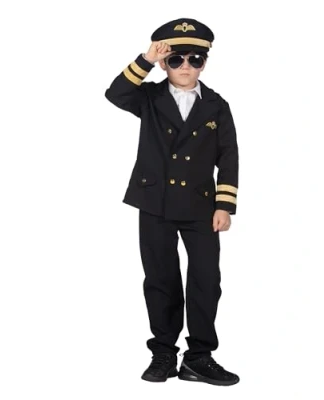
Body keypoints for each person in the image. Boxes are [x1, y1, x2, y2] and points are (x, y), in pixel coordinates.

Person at [104, 18, 240, 386]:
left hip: (201, 206)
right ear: (165, 64)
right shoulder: (149, 98)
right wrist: (146, 59)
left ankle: (199, 357)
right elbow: (116, 94)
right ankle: (163, 353)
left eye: (195, 59)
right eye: (176, 59)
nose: (185, 66)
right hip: (155, 202)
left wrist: (224, 205)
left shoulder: (217, 105)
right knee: (161, 279)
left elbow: (228, 156)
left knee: (206, 280)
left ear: (204, 64)